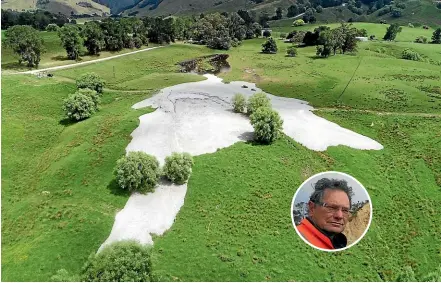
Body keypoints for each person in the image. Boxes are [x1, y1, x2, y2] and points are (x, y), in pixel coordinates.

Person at [296, 178, 353, 250]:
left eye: (345, 210)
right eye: (332, 208)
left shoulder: (338, 244)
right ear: (312, 208)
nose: (339, 216)